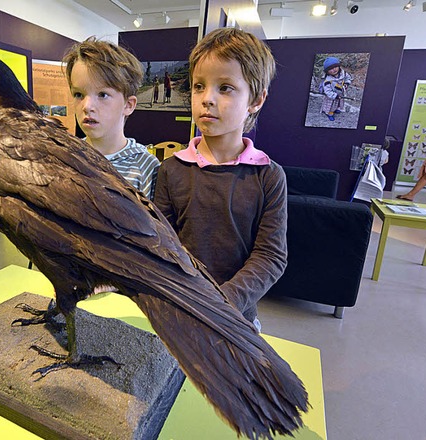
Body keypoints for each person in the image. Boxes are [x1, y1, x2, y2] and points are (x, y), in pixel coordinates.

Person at [154, 28, 286, 331]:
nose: (207, 99)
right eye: (199, 86)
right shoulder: (172, 169)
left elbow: (271, 256)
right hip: (180, 307)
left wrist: (220, 304)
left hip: (237, 316)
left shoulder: (268, 175)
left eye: (225, 88)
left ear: (256, 99)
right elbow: (163, 243)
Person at [63, 37, 160, 199]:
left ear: (128, 105)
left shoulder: (146, 167)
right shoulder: (67, 156)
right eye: (79, 94)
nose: (87, 106)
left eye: (103, 95)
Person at [320, 56, 352, 122]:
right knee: (331, 105)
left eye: (335, 67)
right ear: (327, 71)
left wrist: (346, 83)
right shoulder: (328, 81)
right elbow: (327, 91)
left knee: (338, 104)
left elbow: (348, 78)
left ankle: (335, 109)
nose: (334, 70)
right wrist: (335, 96)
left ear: (338, 66)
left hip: (340, 93)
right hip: (332, 97)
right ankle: (329, 113)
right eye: (330, 69)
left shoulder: (343, 73)